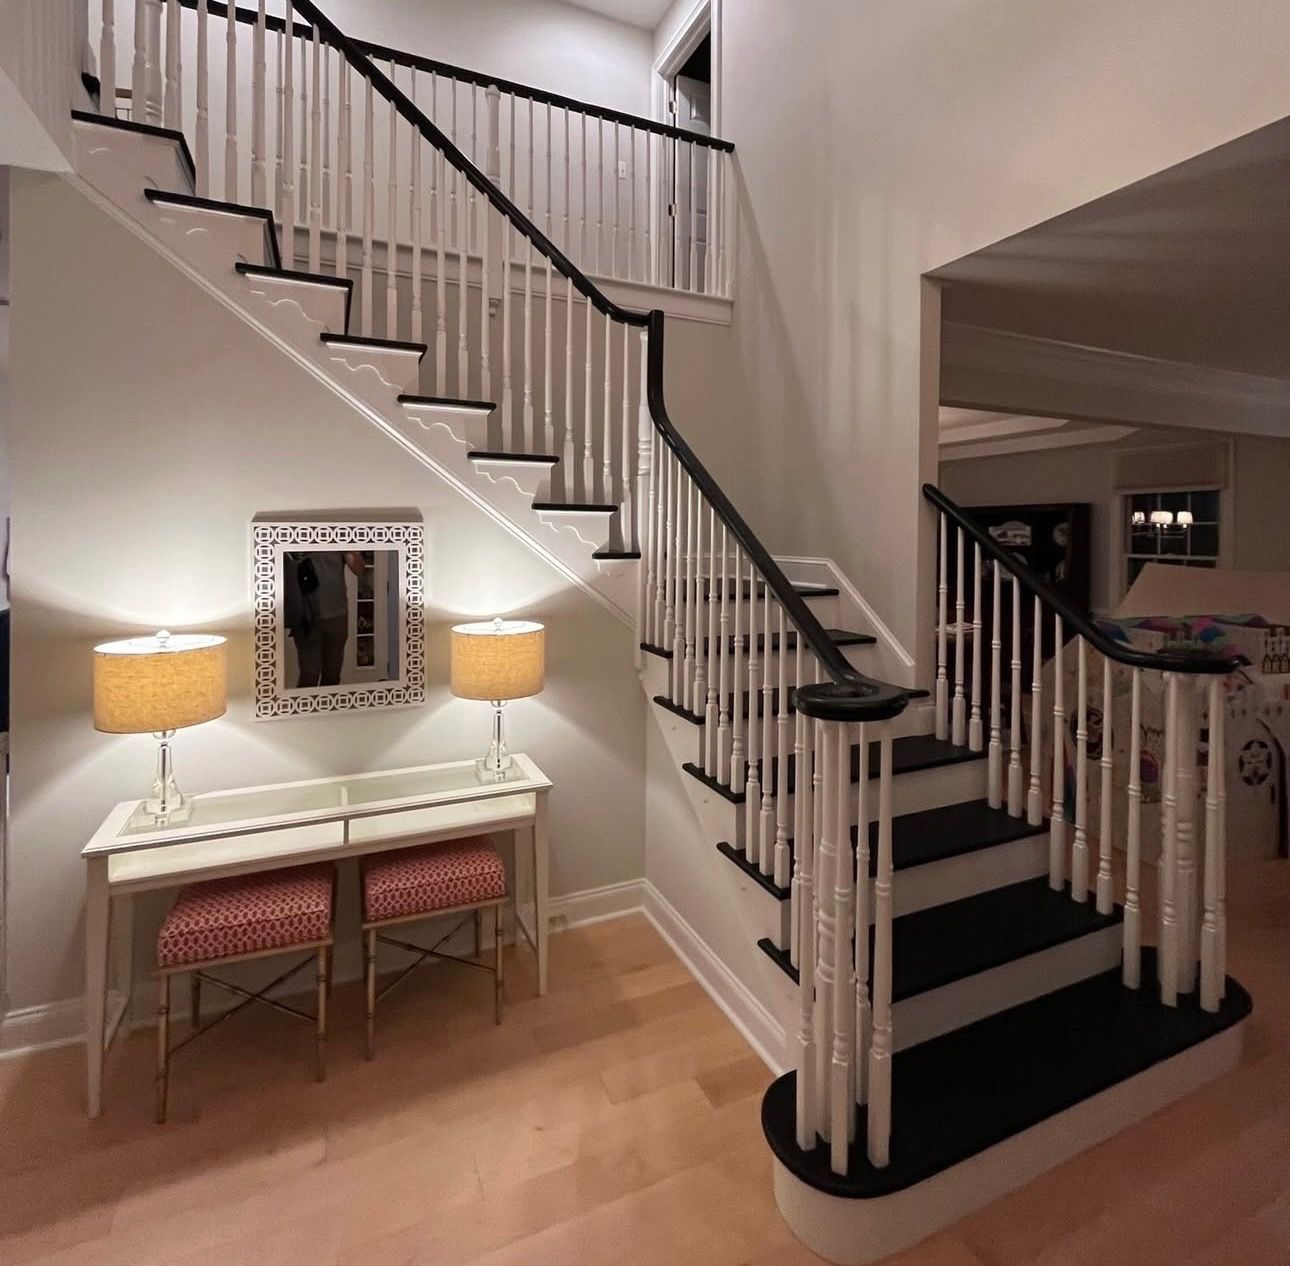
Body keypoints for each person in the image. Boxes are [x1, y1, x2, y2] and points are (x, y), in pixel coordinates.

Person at [284, 551, 366, 688]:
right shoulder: (296, 535)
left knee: (332, 675)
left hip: (337, 617)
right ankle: (305, 708)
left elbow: (358, 570)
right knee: (309, 674)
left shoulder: (338, 538)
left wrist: (350, 548)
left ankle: (327, 709)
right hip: (306, 619)